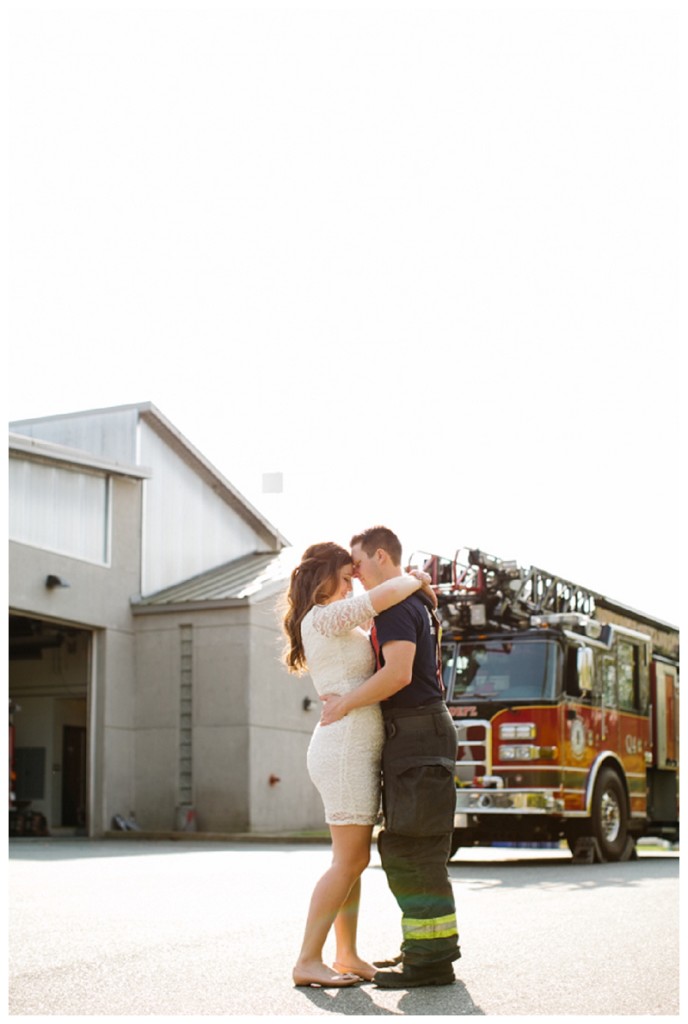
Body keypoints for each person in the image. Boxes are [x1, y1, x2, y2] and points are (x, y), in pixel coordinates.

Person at [282, 541, 434, 989]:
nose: (352, 583)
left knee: (353, 859)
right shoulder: (323, 616)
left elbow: (386, 612)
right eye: (346, 576)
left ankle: (346, 954)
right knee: (348, 861)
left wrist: (413, 589)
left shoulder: (343, 620)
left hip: (353, 743)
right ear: (324, 577)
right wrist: (418, 579)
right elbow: (385, 597)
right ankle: (308, 960)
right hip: (343, 746)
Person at [320, 526, 461, 989]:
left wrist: (344, 703)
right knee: (415, 844)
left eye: (358, 563)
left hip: (418, 732)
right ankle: (425, 950)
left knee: (412, 847)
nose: (355, 573)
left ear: (381, 556)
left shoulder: (398, 604)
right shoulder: (407, 599)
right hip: (420, 733)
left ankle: (429, 961)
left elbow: (398, 674)